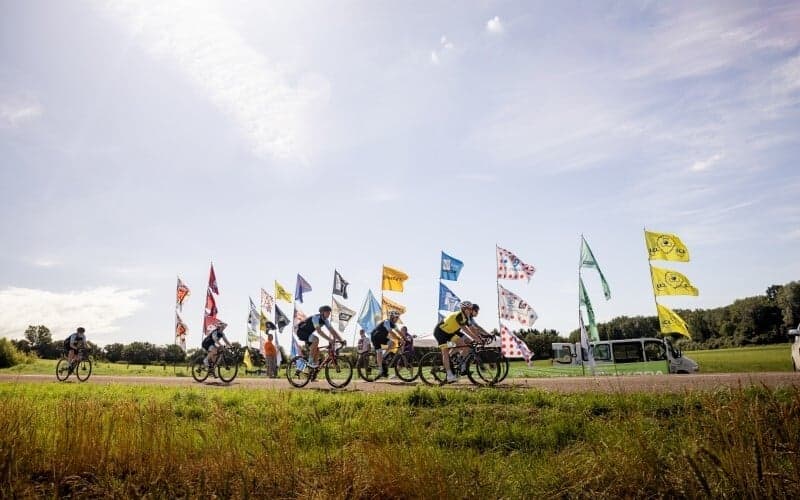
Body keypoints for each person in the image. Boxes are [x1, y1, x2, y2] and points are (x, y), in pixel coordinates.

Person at [432, 301, 483, 382]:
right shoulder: (459, 315)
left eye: (470, 309)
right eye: (468, 309)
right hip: (440, 332)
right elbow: (465, 329)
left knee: (465, 347)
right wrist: (476, 339)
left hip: (450, 333)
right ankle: (449, 375)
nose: (470, 311)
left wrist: (479, 338)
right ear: (463, 309)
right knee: (445, 352)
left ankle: (461, 365)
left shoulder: (466, 317)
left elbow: (472, 328)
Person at [369, 310, 403, 378]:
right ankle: (381, 370)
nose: (397, 319)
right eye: (396, 317)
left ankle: (383, 357)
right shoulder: (387, 322)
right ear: (392, 317)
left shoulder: (393, 324)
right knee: (379, 352)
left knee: (392, 343)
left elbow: (398, 331)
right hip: (375, 337)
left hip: (382, 337)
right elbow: (391, 332)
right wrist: (399, 339)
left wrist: (404, 338)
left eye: (398, 317)